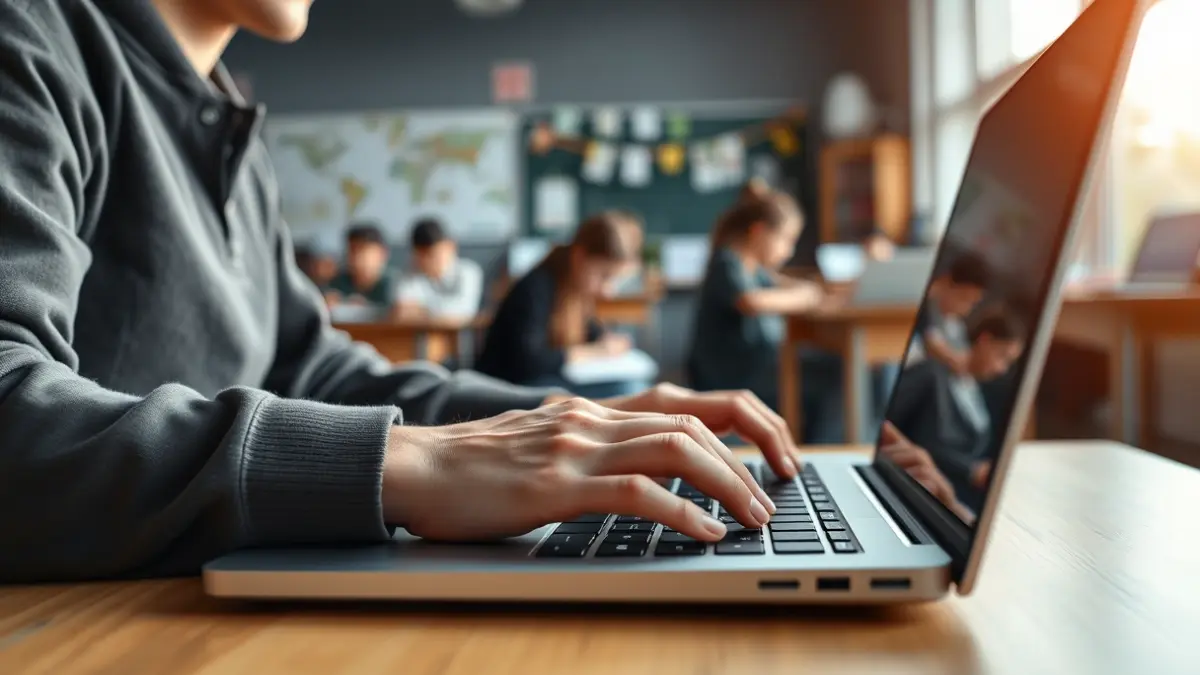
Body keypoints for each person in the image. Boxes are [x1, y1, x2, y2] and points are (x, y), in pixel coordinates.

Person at [0, 0, 816, 584]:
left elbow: (313, 369)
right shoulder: (28, 35)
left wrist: (558, 420)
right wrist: (399, 458)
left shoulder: (233, 129)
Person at [686, 180, 847, 443]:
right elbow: (750, 301)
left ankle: (804, 442)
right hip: (733, 376)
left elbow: (783, 284)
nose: (789, 250)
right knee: (832, 375)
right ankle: (813, 449)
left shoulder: (753, 267)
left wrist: (814, 291)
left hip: (758, 365)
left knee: (825, 367)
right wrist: (804, 298)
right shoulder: (727, 262)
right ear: (759, 232)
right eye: (786, 240)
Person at [475, 212, 652, 398]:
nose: (608, 291)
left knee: (634, 386)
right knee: (626, 390)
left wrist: (605, 340)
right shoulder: (536, 287)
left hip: (542, 381)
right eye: (604, 276)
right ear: (580, 256)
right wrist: (590, 352)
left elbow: (591, 332)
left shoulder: (574, 291)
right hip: (507, 388)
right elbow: (528, 361)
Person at [886, 307, 1026, 514]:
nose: (1002, 369)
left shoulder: (978, 391)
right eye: (1002, 356)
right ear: (985, 341)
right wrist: (971, 470)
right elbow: (923, 439)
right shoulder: (933, 374)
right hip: (927, 490)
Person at [908, 251, 991, 373]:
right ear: (945, 282)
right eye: (964, 298)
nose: (966, 309)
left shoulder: (956, 326)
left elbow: (963, 360)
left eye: (972, 304)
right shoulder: (923, 305)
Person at [394, 218, 484, 319]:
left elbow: (465, 310)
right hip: (419, 334)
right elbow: (402, 311)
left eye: (432, 254)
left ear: (451, 246)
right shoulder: (409, 273)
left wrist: (422, 310)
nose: (428, 262)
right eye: (421, 256)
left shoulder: (469, 271)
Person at [326, 223, 397, 309]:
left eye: (363, 251)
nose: (357, 258)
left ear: (382, 253)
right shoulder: (338, 282)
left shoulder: (395, 285)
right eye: (353, 251)